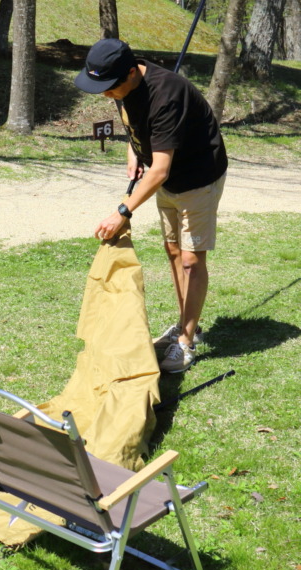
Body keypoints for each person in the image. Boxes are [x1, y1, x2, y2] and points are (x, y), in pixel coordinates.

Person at [74, 38, 228, 373]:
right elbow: (137, 125)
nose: (104, 94)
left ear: (131, 73)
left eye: (108, 87)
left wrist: (122, 211)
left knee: (190, 259)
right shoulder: (122, 83)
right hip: (168, 177)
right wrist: (135, 149)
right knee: (173, 251)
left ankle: (186, 342)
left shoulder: (167, 95)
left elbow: (160, 169)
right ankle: (187, 323)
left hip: (197, 177)